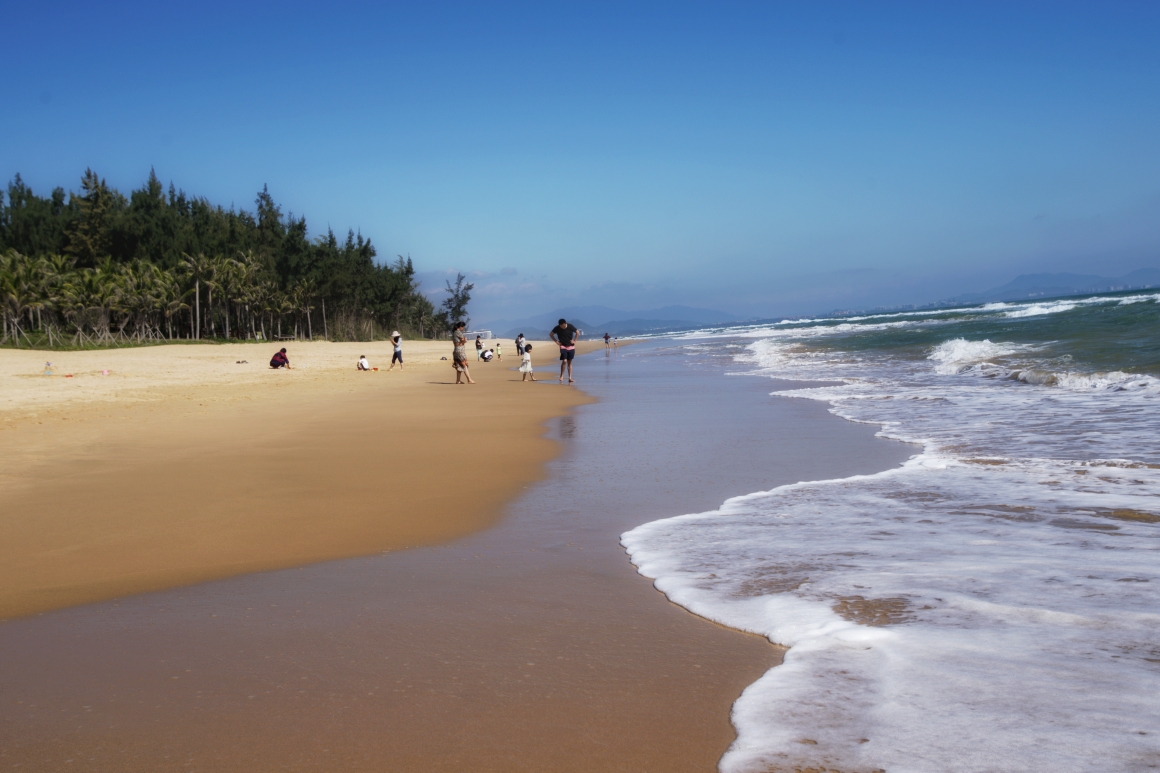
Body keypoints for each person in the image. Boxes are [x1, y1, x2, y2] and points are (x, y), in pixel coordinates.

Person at [549, 318, 579, 383]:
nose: (562, 327)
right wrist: (556, 341)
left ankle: (570, 378)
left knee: (569, 362)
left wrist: (575, 340)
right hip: (563, 346)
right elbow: (551, 334)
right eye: (561, 326)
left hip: (571, 346)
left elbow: (577, 332)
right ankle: (561, 375)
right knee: (564, 361)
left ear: (565, 323)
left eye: (563, 326)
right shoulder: (557, 328)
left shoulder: (570, 326)